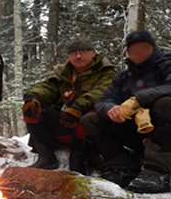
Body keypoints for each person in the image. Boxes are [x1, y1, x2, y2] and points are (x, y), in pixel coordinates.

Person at [80, 30, 171, 193]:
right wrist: (111, 109)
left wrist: (138, 99)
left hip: (164, 130)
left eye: (144, 48)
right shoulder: (123, 77)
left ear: (153, 48)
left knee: (165, 104)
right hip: (136, 131)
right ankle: (123, 167)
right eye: (133, 50)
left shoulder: (167, 65)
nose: (138, 53)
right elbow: (103, 101)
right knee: (91, 120)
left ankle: (157, 171)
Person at [23, 37, 116, 174]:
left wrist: (79, 106)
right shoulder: (63, 72)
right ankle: (46, 156)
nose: (78, 56)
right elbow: (48, 87)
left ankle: (79, 159)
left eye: (82, 52)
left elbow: (101, 92)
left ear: (93, 53)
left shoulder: (107, 72)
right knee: (34, 109)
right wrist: (33, 97)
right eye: (74, 53)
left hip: (91, 128)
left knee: (89, 116)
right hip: (65, 121)